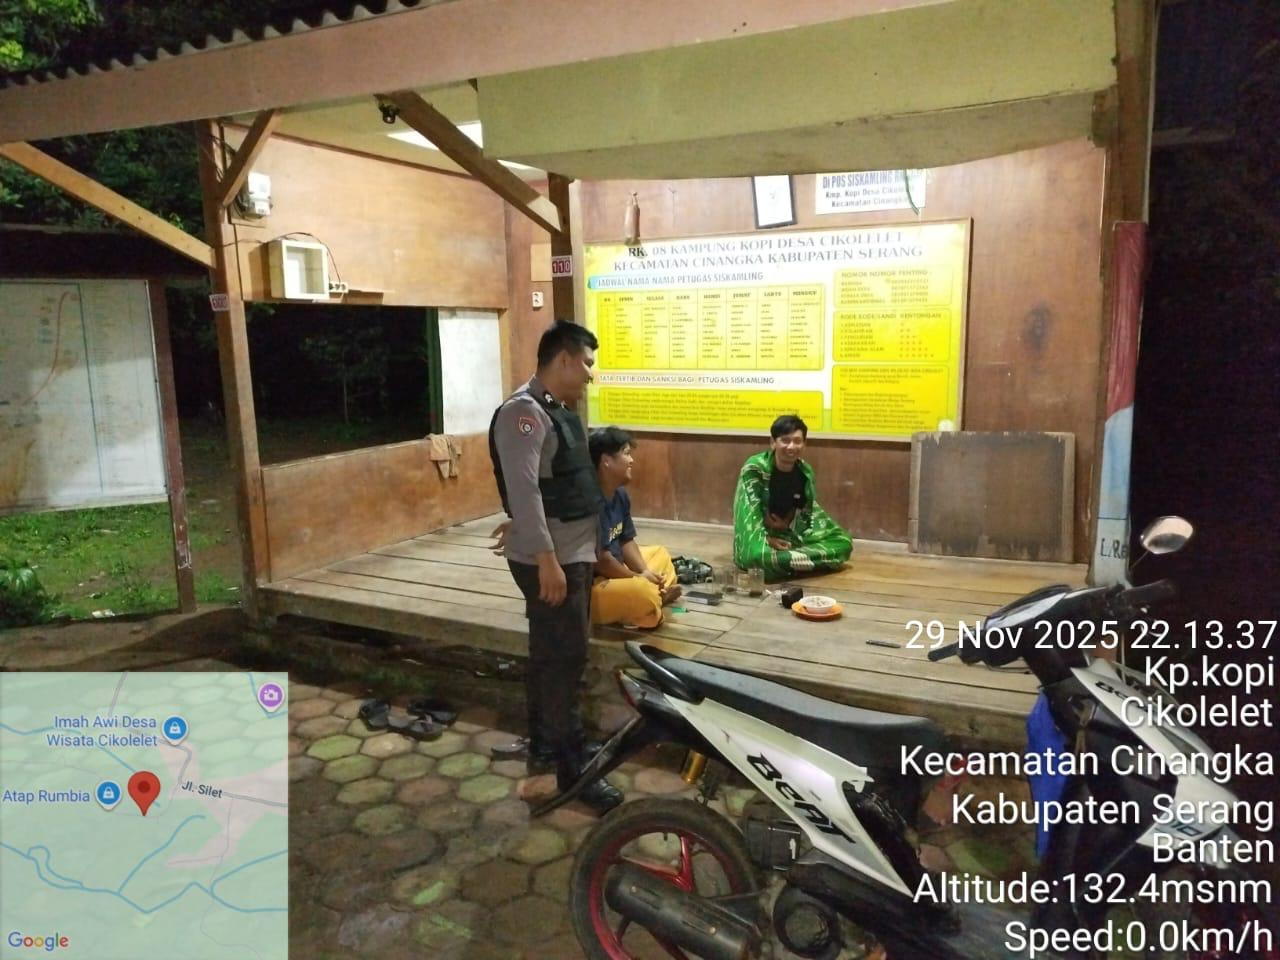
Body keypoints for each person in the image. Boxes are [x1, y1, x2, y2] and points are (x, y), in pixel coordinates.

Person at [488, 320, 623, 814]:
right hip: (554, 562)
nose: (590, 373)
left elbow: (551, 487)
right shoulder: (523, 414)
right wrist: (544, 557)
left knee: (551, 657)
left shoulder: (558, 412)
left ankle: (546, 753)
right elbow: (523, 490)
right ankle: (574, 771)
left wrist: (530, 530)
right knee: (565, 661)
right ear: (563, 360)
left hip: (570, 554)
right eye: (586, 363)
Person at [732, 414, 852, 580]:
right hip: (758, 536)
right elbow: (748, 513)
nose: (791, 446)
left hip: (789, 533)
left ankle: (789, 560)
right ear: (773, 442)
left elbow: (802, 510)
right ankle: (797, 560)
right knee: (760, 557)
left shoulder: (805, 472)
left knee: (843, 542)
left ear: (804, 444)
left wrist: (786, 524)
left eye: (797, 441)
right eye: (785, 440)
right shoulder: (755, 469)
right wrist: (767, 539)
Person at [588, 427, 681, 628]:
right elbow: (602, 561)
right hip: (596, 584)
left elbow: (626, 540)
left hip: (620, 570)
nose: (631, 460)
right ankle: (654, 598)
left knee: (660, 555)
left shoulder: (620, 494)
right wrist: (639, 578)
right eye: (626, 453)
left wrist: (645, 571)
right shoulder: (590, 502)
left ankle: (654, 596)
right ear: (606, 461)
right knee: (641, 592)